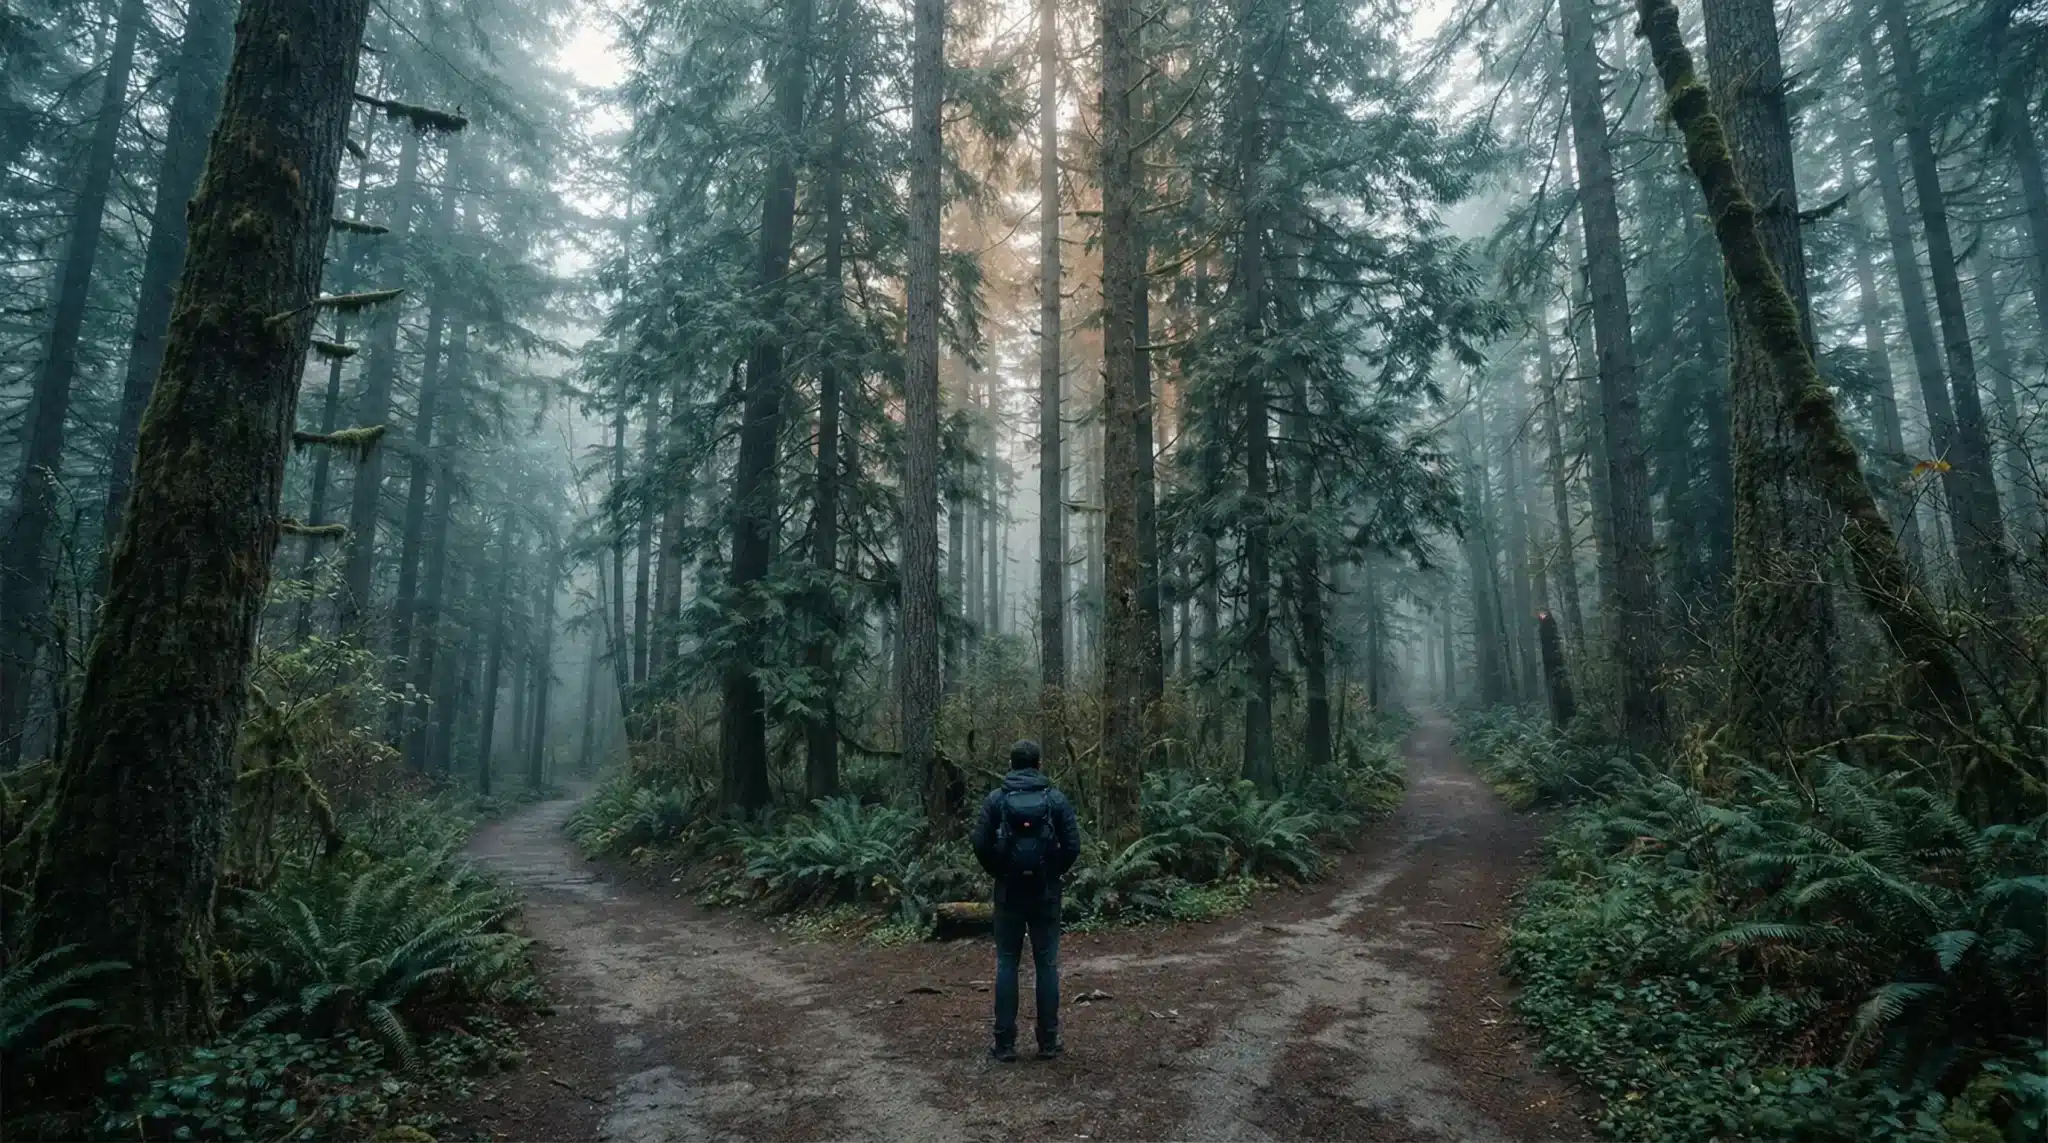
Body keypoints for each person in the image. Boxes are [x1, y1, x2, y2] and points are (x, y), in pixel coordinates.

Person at [970, 739, 1081, 1062]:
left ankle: (1005, 1044)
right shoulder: (1055, 799)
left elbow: (979, 842)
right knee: (1046, 964)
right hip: (1046, 894)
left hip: (1008, 893)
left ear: (1011, 764)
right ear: (1038, 764)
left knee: (1007, 963)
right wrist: (1053, 872)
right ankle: (1048, 1041)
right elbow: (1073, 845)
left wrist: (998, 870)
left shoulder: (997, 799)